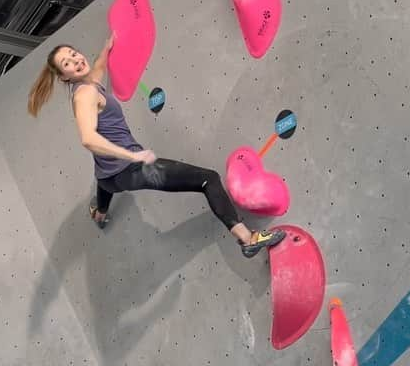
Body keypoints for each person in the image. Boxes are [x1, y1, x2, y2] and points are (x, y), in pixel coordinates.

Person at [27, 37, 286, 258]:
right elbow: (88, 138)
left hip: (107, 176)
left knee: (105, 184)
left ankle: (99, 214)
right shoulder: (85, 95)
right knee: (208, 179)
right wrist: (132, 155)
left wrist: (108, 45)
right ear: (63, 76)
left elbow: (97, 68)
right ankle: (247, 239)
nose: (75, 60)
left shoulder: (86, 83)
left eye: (73, 54)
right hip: (132, 169)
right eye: (67, 63)